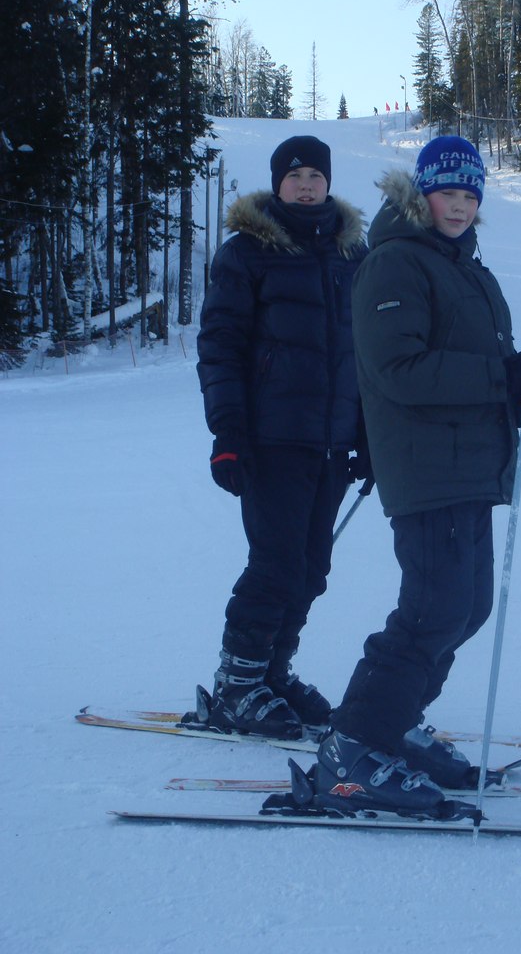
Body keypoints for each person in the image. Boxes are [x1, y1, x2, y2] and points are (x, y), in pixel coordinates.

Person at [310, 136, 521, 813]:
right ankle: (355, 747)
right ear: (421, 194)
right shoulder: (395, 263)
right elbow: (399, 371)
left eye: (470, 192)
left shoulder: (465, 268)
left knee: (465, 606)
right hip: (426, 464)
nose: (459, 202)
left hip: (468, 464)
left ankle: (393, 727)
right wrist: (498, 377)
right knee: (434, 609)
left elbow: (481, 365)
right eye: (448, 190)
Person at [195, 135, 370, 740]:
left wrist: (366, 435)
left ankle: (271, 672)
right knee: (275, 564)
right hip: (270, 439)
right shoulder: (247, 252)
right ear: (277, 184)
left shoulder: (352, 254)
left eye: (315, 174)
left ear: (328, 182)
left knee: (312, 567)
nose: (305, 184)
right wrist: (228, 435)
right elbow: (220, 346)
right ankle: (236, 687)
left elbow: (362, 354)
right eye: (293, 175)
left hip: (331, 442)